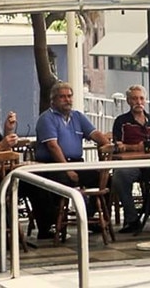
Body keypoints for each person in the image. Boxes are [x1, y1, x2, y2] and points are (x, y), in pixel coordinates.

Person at [31, 81, 110, 239]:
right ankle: (49, 226)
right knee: (57, 184)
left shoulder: (77, 116)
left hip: (76, 162)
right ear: (53, 100)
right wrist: (67, 169)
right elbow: (53, 146)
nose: (67, 100)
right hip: (53, 166)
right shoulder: (46, 118)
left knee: (107, 180)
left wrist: (108, 145)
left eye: (69, 96)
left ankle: (89, 217)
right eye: (62, 97)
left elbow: (95, 134)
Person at [111, 84, 150, 234]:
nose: (139, 102)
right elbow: (118, 146)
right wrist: (136, 147)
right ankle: (132, 219)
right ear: (128, 101)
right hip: (132, 163)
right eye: (135, 99)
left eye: (141, 98)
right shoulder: (121, 121)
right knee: (120, 176)